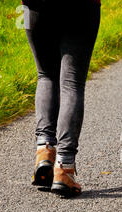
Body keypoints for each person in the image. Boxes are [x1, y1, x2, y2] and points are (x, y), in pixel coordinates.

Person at [23, 0, 101, 197]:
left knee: (45, 74)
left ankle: (44, 151)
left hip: (35, 6)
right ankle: (64, 166)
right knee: (72, 83)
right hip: (82, 8)